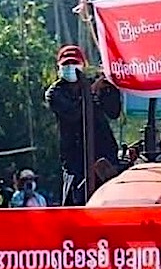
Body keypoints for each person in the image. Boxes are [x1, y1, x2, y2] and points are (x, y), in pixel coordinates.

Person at [45, 44, 122, 205]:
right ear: (59, 67)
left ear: (83, 65)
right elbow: (73, 114)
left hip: (103, 153)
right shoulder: (55, 93)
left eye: (74, 63)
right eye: (66, 65)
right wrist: (91, 91)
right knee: (76, 200)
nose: (70, 68)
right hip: (75, 158)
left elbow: (113, 112)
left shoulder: (95, 84)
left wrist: (110, 87)